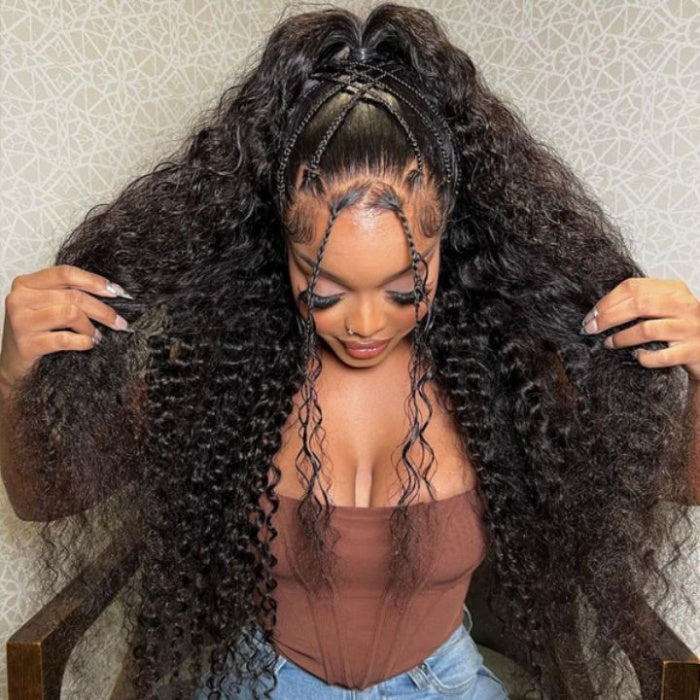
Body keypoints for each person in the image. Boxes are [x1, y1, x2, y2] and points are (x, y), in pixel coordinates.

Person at [1, 4, 698, 699]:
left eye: (404, 288)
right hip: (263, 682)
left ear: (449, 237)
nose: (365, 325)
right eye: (327, 290)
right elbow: (45, 498)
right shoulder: (215, 376)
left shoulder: (509, 373)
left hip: (442, 684)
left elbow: (681, 483)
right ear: (280, 244)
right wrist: (11, 377)